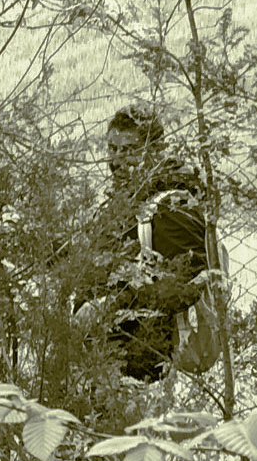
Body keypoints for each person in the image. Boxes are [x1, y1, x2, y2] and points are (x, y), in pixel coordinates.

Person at [73, 104, 210, 383]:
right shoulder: (126, 198)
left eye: (129, 150)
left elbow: (189, 282)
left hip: (146, 367)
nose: (117, 160)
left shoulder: (172, 205)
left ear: (155, 151)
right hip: (108, 361)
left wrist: (109, 305)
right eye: (112, 149)